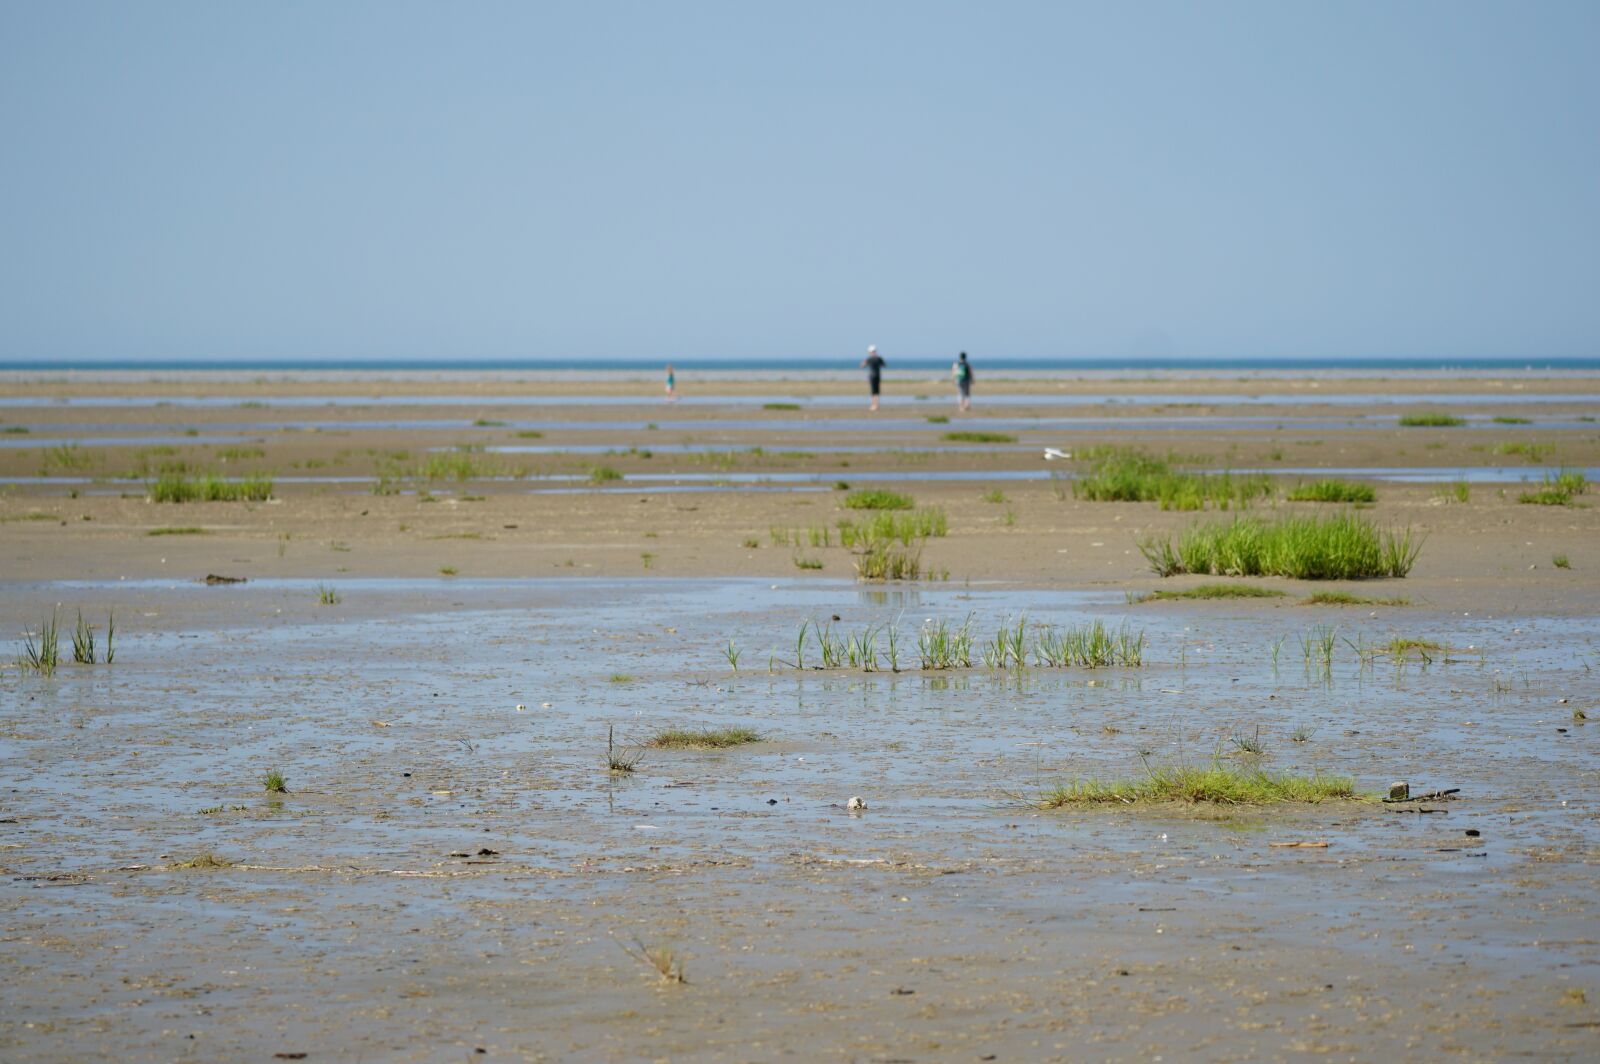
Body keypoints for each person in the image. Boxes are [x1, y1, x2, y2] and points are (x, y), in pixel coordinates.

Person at [859, 345, 885, 411]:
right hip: (878, 375)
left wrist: (863, 363)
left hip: (872, 376)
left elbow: (862, 366)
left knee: (873, 391)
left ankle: (874, 405)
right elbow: (884, 365)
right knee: (877, 391)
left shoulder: (870, 359)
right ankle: (876, 405)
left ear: (870, 352)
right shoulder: (879, 358)